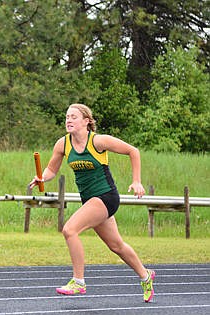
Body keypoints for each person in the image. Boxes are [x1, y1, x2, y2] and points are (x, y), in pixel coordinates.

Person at [29, 103, 155, 303]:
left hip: (106, 196)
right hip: (90, 200)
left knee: (69, 230)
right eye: (67, 117)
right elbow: (51, 170)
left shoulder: (98, 141)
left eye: (73, 117)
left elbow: (133, 151)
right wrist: (42, 178)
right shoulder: (62, 144)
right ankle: (146, 276)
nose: (68, 120)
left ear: (86, 121)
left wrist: (137, 180)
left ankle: (78, 282)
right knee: (116, 245)